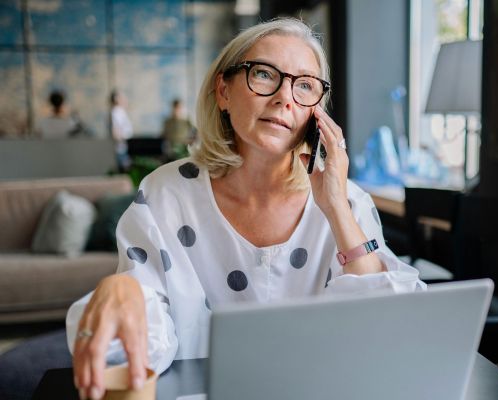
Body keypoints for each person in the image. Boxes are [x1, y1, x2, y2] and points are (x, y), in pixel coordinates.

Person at [67, 18, 425, 400]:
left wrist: (336, 207)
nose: (285, 98)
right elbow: (137, 339)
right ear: (223, 90)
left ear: (316, 113)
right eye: (266, 75)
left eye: (304, 85)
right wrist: (123, 290)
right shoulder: (166, 194)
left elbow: (388, 333)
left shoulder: (348, 201)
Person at [109, 89, 133, 170]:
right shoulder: (116, 112)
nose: (124, 98)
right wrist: (122, 141)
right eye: (122, 97)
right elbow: (115, 132)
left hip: (124, 147)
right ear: (116, 99)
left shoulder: (120, 111)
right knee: (123, 170)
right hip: (121, 148)